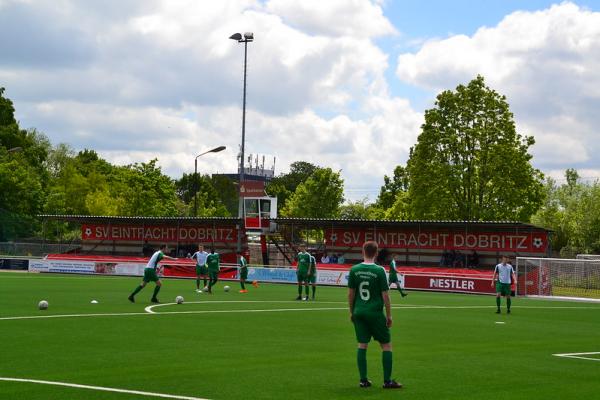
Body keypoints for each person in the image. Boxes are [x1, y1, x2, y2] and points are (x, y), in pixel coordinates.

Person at [348, 241, 402, 389]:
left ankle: (363, 380)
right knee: (386, 345)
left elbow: (351, 294)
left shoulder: (354, 269)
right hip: (375, 313)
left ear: (362, 252)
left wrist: (351, 311)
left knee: (362, 345)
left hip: (359, 312)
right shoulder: (379, 271)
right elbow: (385, 296)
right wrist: (389, 316)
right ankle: (387, 381)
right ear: (377, 253)